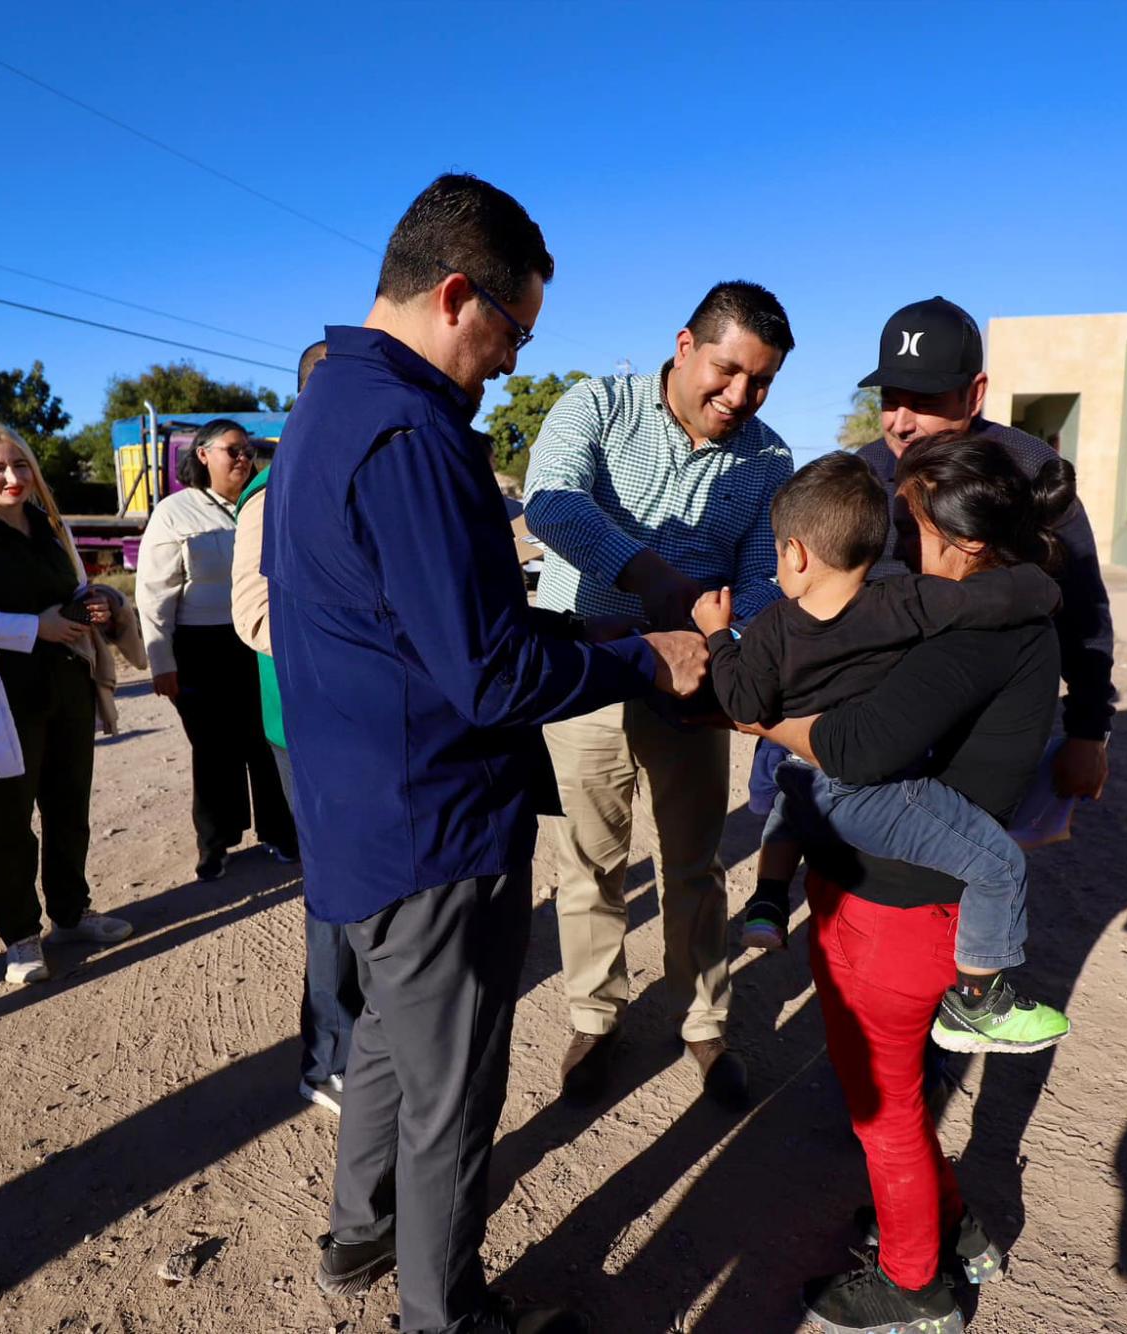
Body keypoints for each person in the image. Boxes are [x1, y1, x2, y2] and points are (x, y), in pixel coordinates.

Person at [261, 173, 709, 1334]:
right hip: (434, 826)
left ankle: (358, 1239)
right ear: (457, 293)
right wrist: (641, 664)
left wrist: (589, 629)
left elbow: (438, 622)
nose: (511, 362)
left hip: (356, 804)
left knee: (380, 1048)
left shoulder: (325, 404)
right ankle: (442, 1313)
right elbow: (486, 672)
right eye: (512, 331)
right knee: (451, 1092)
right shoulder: (411, 434)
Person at [740, 432, 1069, 1333]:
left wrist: (770, 720)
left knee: (882, 1112)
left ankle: (915, 1286)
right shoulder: (1012, 614)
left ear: (964, 545)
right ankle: (943, 1224)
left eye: (912, 531)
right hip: (921, 892)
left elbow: (852, 746)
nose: (897, 550)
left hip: (893, 907)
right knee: (903, 1107)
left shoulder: (973, 634)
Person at [694, 452, 1071, 1055]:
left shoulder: (770, 626)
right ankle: (979, 1000)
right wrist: (1042, 584)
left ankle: (767, 900)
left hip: (835, 806)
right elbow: (991, 599)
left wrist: (717, 636)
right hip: (873, 828)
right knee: (997, 865)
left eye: (909, 531)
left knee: (791, 803)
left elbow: (746, 707)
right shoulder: (901, 604)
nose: (900, 548)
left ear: (793, 554)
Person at [523, 280, 796, 1107]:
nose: (740, 396)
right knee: (590, 863)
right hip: (588, 677)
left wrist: (720, 646)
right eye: (727, 370)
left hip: (693, 687)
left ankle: (705, 1022)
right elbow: (553, 507)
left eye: (762, 382)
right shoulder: (597, 407)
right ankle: (595, 1018)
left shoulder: (769, 458)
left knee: (696, 864)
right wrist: (667, 593)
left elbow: (759, 581)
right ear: (684, 346)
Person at [854, 295, 1116, 799]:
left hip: (987, 749)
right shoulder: (859, 477)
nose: (901, 422)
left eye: (925, 400)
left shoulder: (1032, 473)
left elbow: (1084, 613)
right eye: (891, 398)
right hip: (879, 737)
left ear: (974, 395)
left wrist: (1087, 731)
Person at [0, 424, 137, 986]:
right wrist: (31, 628)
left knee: (70, 810)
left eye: (20, 465)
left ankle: (70, 914)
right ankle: (19, 937)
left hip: (67, 686)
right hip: (0, 695)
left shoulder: (51, 525)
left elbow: (71, 596)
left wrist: (95, 607)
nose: (13, 477)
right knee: (9, 821)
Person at [230, 338, 362, 1116]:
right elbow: (253, 616)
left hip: (359, 720)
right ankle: (326, 1057)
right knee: (335, 891)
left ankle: (359, 1037)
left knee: (365, 884)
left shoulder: (348, 475)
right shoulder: (267, 493)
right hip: (305, 724)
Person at [137, 417, 298, 882]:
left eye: (248, 450)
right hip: (200, 648)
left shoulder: (266, 502)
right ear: (203, 455)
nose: (244, 458)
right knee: (212, 750)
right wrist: (161, 662)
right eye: (233, 449)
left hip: (257, 640)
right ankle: (216, 843)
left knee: (266, 741)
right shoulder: (175, 513)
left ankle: (281, 833)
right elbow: (153, 594)